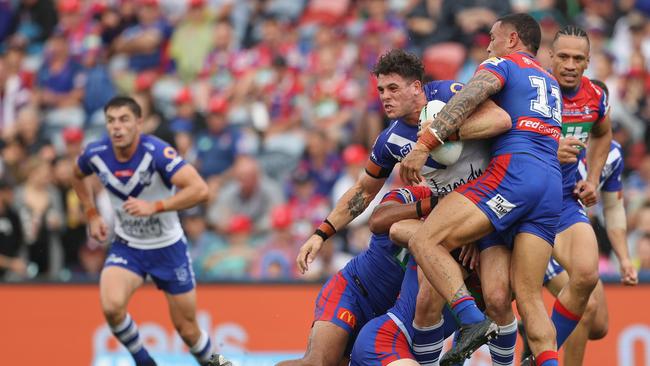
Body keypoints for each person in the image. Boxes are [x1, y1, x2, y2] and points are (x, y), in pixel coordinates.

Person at [399, 13, 562, 365]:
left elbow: (471, 96)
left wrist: (425, 142)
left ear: (513, 39)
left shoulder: (502, 62)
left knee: (425, 240)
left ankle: (472, 321)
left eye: (492, 37)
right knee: (529, 299)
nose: (487, 45)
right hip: (551, 186)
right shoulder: (549, 80)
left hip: (514, 172)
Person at [296, 49, 509, 274]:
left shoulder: (447, 94)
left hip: (495, 199)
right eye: (381, 90)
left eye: (393, 88)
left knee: (497, 296)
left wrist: (440, 135)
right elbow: (363, 191)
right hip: (454, 216)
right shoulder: (389, 140)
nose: (385, 96)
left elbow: (499, 119)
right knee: (426, 299)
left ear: (416, 87)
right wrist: (321, 235)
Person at [70, 96, 230, 366]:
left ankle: (219, 363)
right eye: (111, 121)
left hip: (168, 247)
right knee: (111, 306)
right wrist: (91, 213)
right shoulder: (96, 154)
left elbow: (200, 190)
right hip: (128, 246)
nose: (116, 127)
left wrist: (156, 206)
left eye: (124, 120)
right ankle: (144, 361)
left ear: (139, 123)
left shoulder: (156, 153)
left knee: (188, 330)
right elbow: (75, 174)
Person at [537, 26, 613, 363]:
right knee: (587, 309)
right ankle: (544, 351)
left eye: (578, 58)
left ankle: (539, 343)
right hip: (521, 204)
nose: (569, 64)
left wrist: (593, 178)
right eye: (563, 56)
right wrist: (549, 151)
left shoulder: (596, 96)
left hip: (565, 203)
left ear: (588, 61)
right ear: (550, 57)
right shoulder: (530, 90)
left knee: (598, 321)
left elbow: (603, 132)